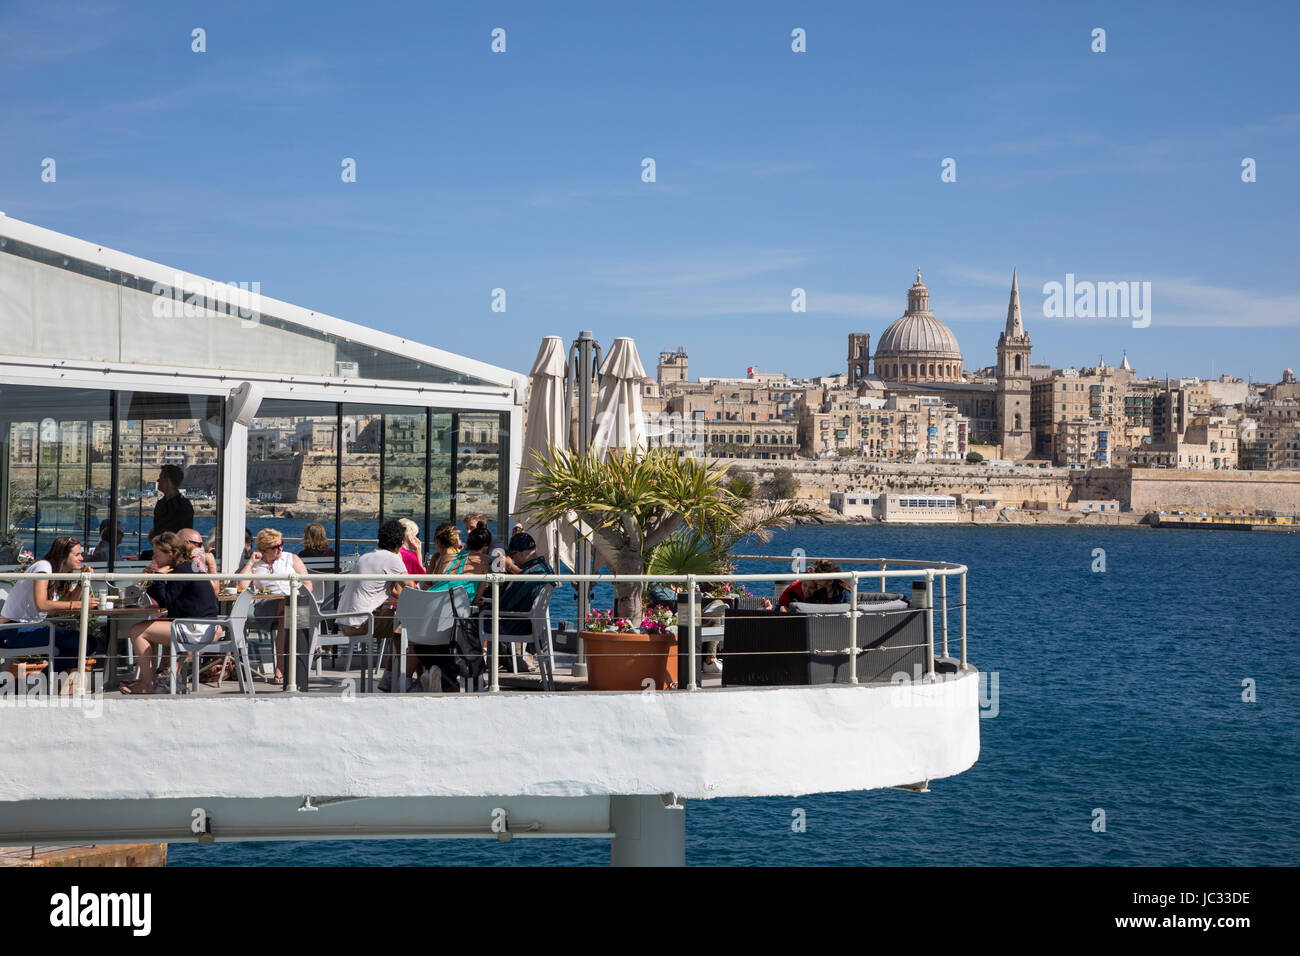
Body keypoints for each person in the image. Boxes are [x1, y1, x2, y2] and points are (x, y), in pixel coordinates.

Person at [120, 532, 221, 694]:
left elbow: (165, 601)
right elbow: (169, 598)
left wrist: (159, 576)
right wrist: (153, 577)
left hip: (195, 629)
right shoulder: (187, 567)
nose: (154, 557)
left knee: (137, 631)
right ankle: (148, 680)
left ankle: (147, 684)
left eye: (156, 554)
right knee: (146, 629)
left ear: (170, 554)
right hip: (205, 626)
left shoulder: (181, 571)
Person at [0, 536, 96, 680]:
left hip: (29, 628)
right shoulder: (43, 567)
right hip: (13, 630)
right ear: (63, 555)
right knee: (84, 642)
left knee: (87, 642)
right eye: (77, 554)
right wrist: (79, 605)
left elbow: (69, 601)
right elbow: (42, 605)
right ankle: (38, 682)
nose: (81, 558)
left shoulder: (62, 572)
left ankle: (39, 682)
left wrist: (82, 584)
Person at [336, 520, 412, 691]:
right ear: (401, 542)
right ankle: (405, 680)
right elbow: (412, 588)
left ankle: (391, 679)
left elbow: (376, 589)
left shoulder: (365, 557)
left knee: (400, 626)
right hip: (363, 623)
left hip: (347, 621)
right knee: (409, 625)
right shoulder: (392, 559)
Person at [238, 528, 310, 685]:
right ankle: (311, 645)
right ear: (263, 550)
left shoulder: (291, 559)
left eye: (281, 544)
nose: (280, 549)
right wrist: (250, 562)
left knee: (288, 611)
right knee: (289, 605)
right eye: (275, 547)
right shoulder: (256, 565)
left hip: (293, 606)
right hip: (265, 606)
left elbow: (308, 585)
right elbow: (241, 586)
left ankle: (281, 668)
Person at [494, 532, 554, 672]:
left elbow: (506, 604)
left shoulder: (531, 574)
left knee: (473, 620)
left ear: (520, 553)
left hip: (518, 625)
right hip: (530, 623)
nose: (513, 560)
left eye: (513, 556)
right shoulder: (544, 568)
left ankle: (473, 674)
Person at [431, 525, 492, 603]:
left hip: (432, 599)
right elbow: (479, 593)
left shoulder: (446, 558)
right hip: (455, 605)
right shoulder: (483, 560)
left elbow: (435, 582)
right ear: (485, 547)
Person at [761, 560, 850, 611]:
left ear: (830, 581)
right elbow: (804, 606)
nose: (817, 583)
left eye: (818, 583)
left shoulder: (844, 595)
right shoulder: (820, 594)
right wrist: (773, 607)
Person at [148, 465, 194, 540]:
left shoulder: (183, 505)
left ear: (168, 481)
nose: (158, 480)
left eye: (161, 477)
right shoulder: (161, 503)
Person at [178, 528, 220, 596]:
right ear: (187, 543)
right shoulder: (190, 565)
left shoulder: (175, 561)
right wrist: (211, 563)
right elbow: (214, 591)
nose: (202, 548)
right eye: (199, 544)